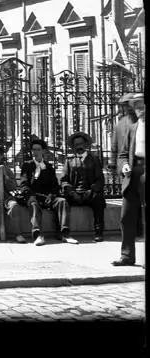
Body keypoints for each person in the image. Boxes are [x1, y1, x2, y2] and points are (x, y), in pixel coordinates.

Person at [18, 137, 75, 246]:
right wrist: (30, 195)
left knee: (62, 201)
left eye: (38, 150)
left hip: (47, 197)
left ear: (43, 151)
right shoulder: (27, 165)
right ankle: (38, 235)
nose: (35, 152)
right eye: (33, 150)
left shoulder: (49, 167)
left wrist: (52, 195)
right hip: (34, 196)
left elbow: (55, 185)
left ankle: (64, 234)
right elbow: (24, 184)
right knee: (34, 205)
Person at [112, 92, 145, 267]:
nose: (141, 111)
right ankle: (127, 255)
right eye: (138, 108)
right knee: (127, 216)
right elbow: (122, 154)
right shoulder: (133, 128)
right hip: (133, 173)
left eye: (143, 107)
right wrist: (123, 165)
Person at [59, 131, 106, 242]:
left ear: (85, 145)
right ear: (73, 147)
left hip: (89, 193)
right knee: (61, 202)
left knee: (98, 200)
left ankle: (98, 232)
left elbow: (100, 179)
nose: (79, 146)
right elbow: (63, 179)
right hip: (74, 194)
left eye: (81, 144)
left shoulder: (94, 160)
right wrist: (70, 191)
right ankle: (62, 232)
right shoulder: (69, 160)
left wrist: (92, 190)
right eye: (76, 144)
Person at [110, 93, 138, 187]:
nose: (129, 107)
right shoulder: (120, 124)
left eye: (130, 104)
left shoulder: (141, 122)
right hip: (125, 165)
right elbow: (114, 145)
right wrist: (113, 164)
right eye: (126, 105)